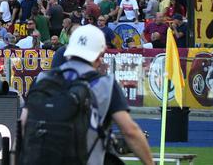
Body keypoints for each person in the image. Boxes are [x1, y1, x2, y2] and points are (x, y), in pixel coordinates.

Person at [21, 24, 153, 165]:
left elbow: (23, 123)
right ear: (99, 55)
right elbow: (130, 131)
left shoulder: (43, 79)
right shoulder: (104, 84)